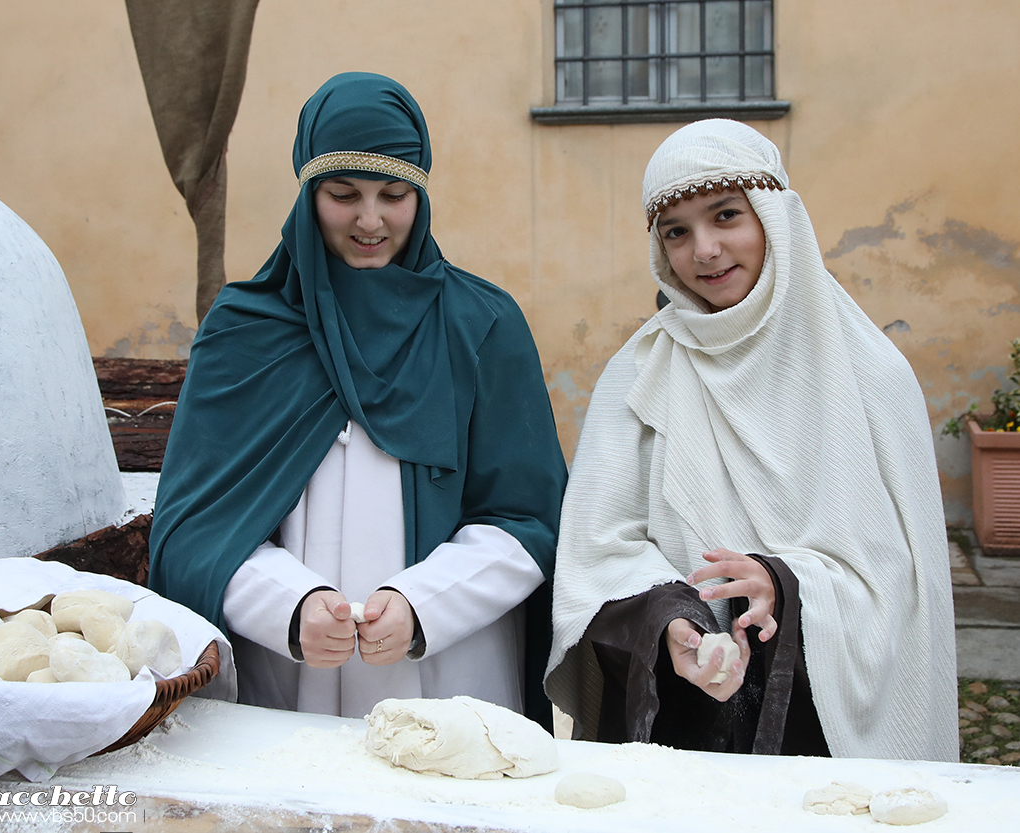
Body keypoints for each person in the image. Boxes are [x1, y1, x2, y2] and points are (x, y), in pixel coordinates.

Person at [149, 73, 567, 727]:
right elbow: (193, 529)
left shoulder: (481, 323)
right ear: (308, 193)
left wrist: (424, 603)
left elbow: (528, 519)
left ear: (420, 195)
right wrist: (290, 605)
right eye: (343, 194)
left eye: (393, 194)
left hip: (451, 684)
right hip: (285, 691)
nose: (370, 220)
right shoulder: (242, 331)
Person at [545, 119, 958, 760]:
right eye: (676, 231)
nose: (703, 250)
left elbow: (906, 583)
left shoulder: (871, 375)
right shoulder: (638, 372)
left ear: (776, 218)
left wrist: (784, 586)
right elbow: (596, 549)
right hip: (683, 714)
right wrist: (671, 620)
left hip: (822, 726)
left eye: (726, 216)